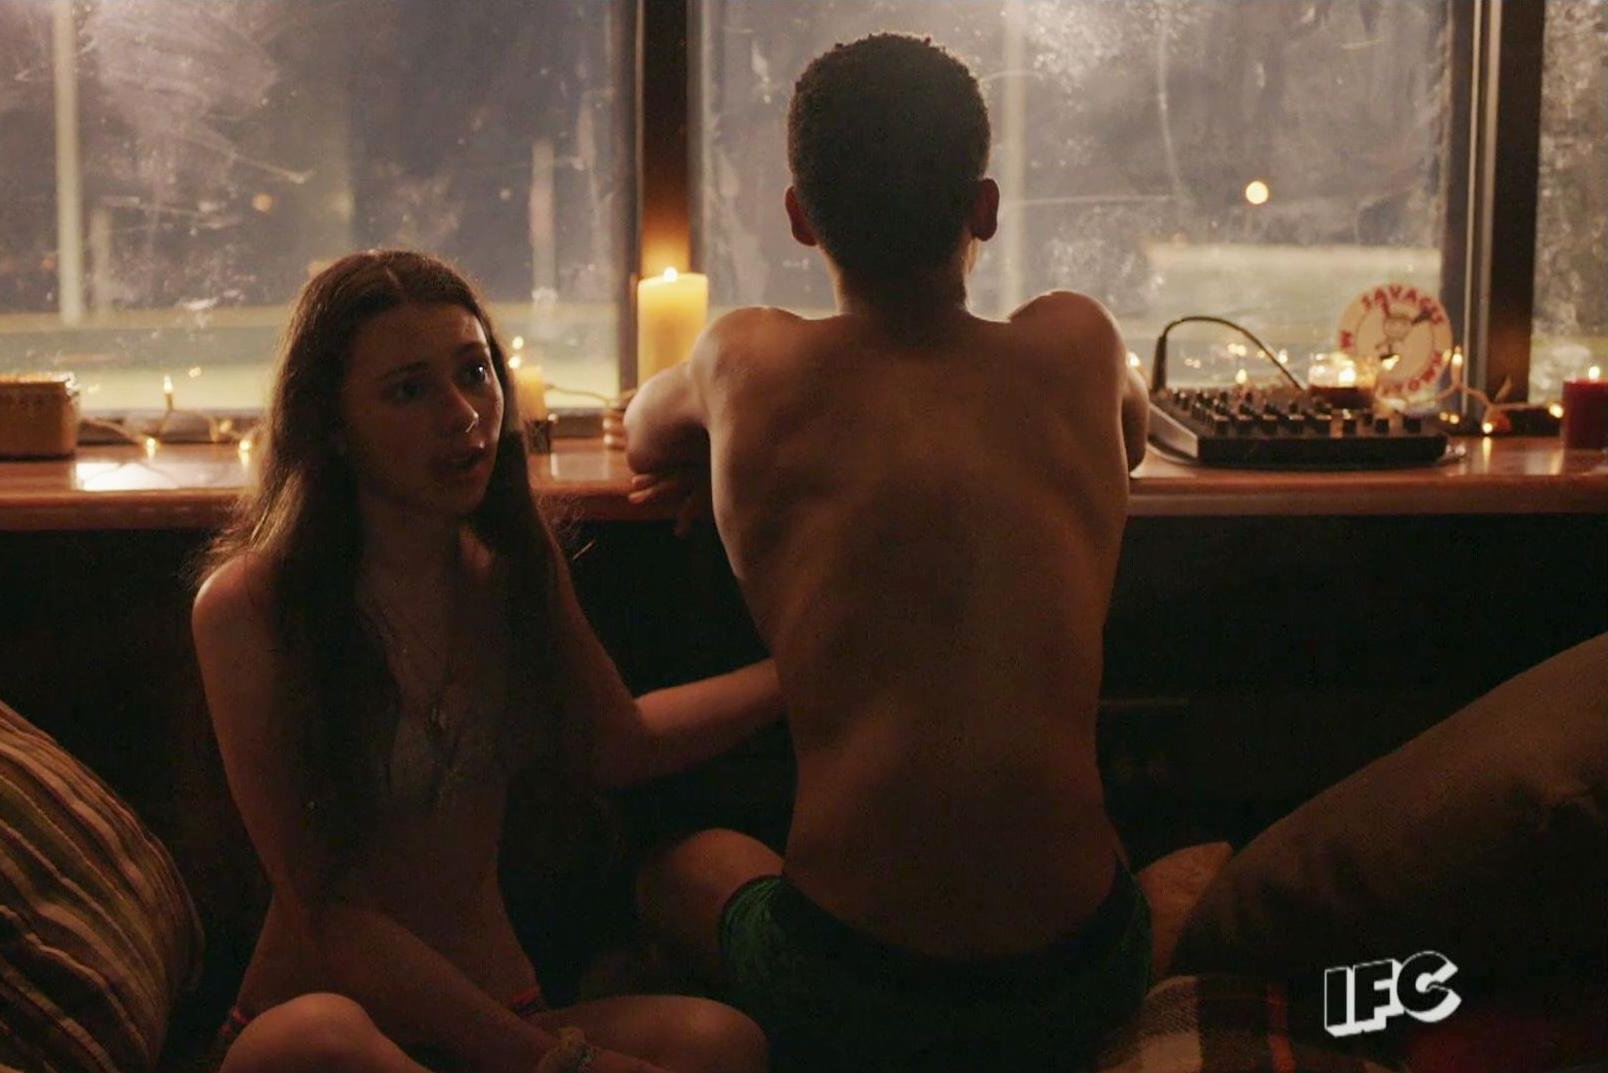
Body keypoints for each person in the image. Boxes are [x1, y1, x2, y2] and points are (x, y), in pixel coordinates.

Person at [624, 33, 1153, 1073]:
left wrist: (720, 445)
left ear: (799, 216)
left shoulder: (746, 362)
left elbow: (645, 431)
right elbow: (1129, 436)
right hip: (1083, 971)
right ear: (984, 209)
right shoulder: (1079, 343)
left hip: (852, 985)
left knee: (677, 868)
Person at [193, 250, 780, 1073]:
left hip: (506, 1014)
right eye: (409, 390)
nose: (463, 413)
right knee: (319, 1038)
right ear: (332, 424)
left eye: (475, 372)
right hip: (330, 1030)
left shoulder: (507, 571)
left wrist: (803, 670)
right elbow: (330, 914)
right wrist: (556, 1063)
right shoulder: (249, 608)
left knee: (722, 1044)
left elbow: (620, 740)